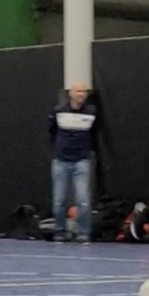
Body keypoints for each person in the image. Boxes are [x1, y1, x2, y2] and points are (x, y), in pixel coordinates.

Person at [48, 82, 97, 243]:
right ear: (71, 93)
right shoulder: (58, 111)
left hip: (81, 162)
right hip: (61, 161)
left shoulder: (92, 112)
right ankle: (60, 232)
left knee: (83, 200)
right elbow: (52, 131)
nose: (81, 94)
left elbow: (95, 133)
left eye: (84, 91)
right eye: (78, 91)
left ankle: (82, 233)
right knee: (59, 201)